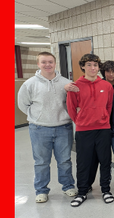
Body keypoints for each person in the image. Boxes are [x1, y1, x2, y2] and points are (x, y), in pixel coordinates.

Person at [17, 51, 77, 202]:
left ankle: (68, 186)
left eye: (50, 62)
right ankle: (41, 190)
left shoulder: (65, 83)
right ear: (38, 64)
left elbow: (72, 104)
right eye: (43, 62)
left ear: (55, 63)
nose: (47, 65)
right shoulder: (29, 84)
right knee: (41, 162)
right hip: (39, 129)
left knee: (64, 160)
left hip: (63, 127)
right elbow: (23, 104)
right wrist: (37, 117)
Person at [66, 52, 114, 207]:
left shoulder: (106, 86)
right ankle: (81, 192)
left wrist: (103, 118)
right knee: (83, 162)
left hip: (103, 129)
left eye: (95, 65)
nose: (93, 68)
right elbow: (71, 108)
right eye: (89, 65)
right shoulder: (75, 86)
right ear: (83, 66)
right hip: (83, 130)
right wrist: (80, 121)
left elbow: (109, 106)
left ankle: (106, 190)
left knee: (105, 161)